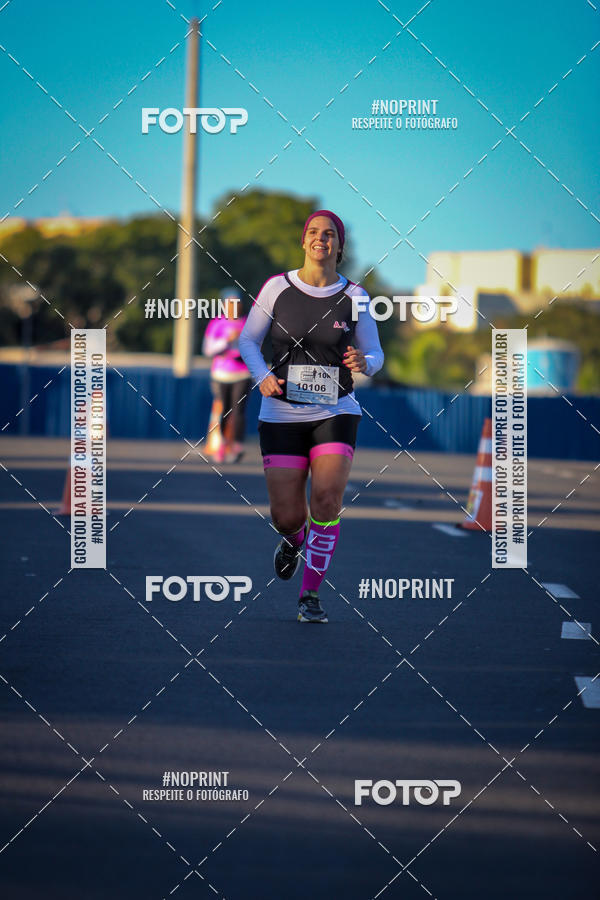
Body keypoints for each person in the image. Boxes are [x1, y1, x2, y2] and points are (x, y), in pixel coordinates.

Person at [239, 210, 384, 622]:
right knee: (286, 515)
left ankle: (310, 595)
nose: (322, 240)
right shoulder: (276, 288)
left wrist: (364, 361)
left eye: (331, 235)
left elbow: (375, 353)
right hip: (281, 412)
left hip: (335, 410)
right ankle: (293, 540)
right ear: (304, 241)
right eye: (315, 233)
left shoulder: (355, 296)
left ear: (340, 245)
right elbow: (248, 340)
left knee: (326, 499)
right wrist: (262, 376)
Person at [202, 291, 251, 463]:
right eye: (230, 303)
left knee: (238, 411)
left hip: (242, 373)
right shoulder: (217, 323)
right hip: (221, 374)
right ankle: (222, 443)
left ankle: (237, 446)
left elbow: (254, 348)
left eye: (237, 303)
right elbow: (208, 350)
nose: (234, 307)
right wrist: (226, 341)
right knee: (225, 409)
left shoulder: (247, 323)